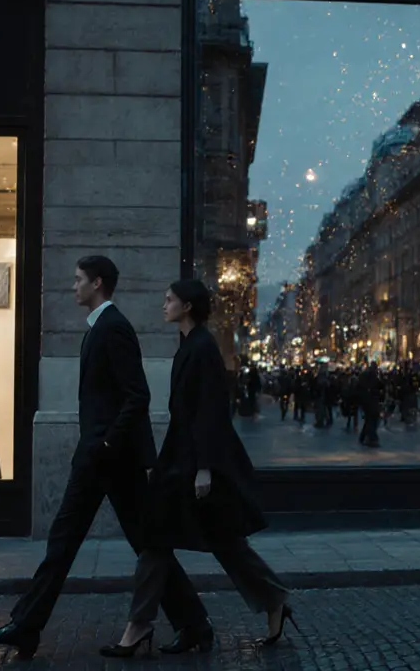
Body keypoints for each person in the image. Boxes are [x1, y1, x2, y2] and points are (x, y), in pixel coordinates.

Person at [0, 256, 208, 658]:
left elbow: (137, 395)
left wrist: (105, 444)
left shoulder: (113, 327)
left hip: (109, 459)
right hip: (108, 459)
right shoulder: (102, 326)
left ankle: (27, 626)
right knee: (106, 542)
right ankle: (192, 623)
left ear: (97, 283)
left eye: (78, 279)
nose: (73, 286)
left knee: (83, 542)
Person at [100, 280, 295, 658]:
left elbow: (208, 412)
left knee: (173, 540)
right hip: (183, 461)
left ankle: (145, 625)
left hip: (194, 465)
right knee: (210, 541)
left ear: (187, 306)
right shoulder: (191, 345)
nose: (164, 304)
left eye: (169, 299)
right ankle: (269, 601)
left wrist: (202, 468)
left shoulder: (202, 348)